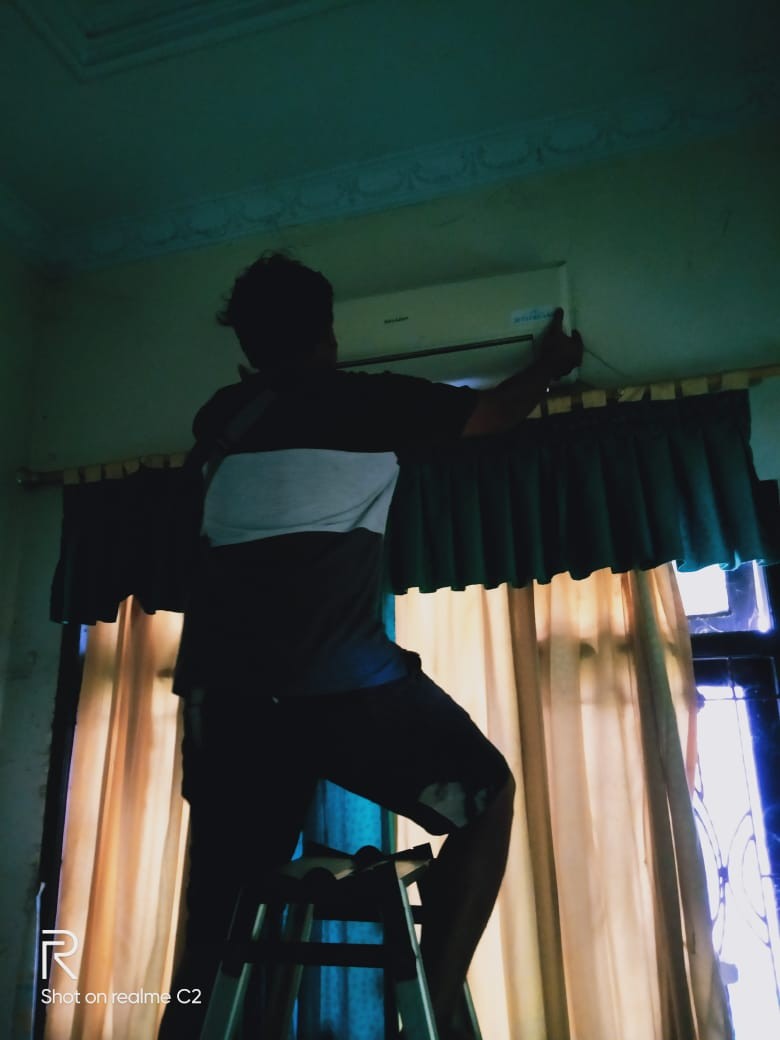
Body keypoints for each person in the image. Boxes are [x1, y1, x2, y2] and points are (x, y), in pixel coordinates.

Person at [159, 252, 583, 1040]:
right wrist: (551, 365)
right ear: (327, 333)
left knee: (215, 912)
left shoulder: (220, 417)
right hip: (342, 687)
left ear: (247, 348)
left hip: (228, 696)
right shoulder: (367, 401)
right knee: (486, 801)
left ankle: (184, 1028)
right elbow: (495, 414)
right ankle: (427, 1009)